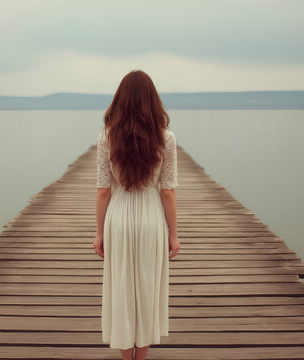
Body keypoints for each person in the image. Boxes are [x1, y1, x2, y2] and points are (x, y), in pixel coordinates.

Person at [94, 69, 180, 360]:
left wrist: (99, 232)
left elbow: (103, 189)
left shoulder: (107, 137)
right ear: (152, 101)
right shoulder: (165, 138)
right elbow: (167, 190)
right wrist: (174, 233)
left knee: (120, 288)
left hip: (117, 216)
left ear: (120, 100)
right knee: (146, 288)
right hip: (150, 218)